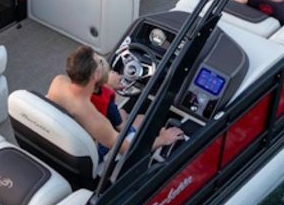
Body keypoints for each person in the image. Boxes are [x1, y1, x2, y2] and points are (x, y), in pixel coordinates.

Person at [48, 46, 183, 160]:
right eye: (100, 63)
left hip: (58, 141)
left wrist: (106, 84)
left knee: (122, 113)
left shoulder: (59, 81)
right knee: (141, 120)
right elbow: (129, 150)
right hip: (90, 153)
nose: (103, 62)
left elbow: (83, 90)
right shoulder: (95, 121)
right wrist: (163, 139)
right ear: (95, 76)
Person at [90, 54, 125, 129]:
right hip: (109, 131)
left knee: (122, 112)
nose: (112, 72)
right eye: (108, 71)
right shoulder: (109, 106)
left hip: (95, 126)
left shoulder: (84, 94)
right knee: (140, 118)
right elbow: (124, 130)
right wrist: (110, 86)